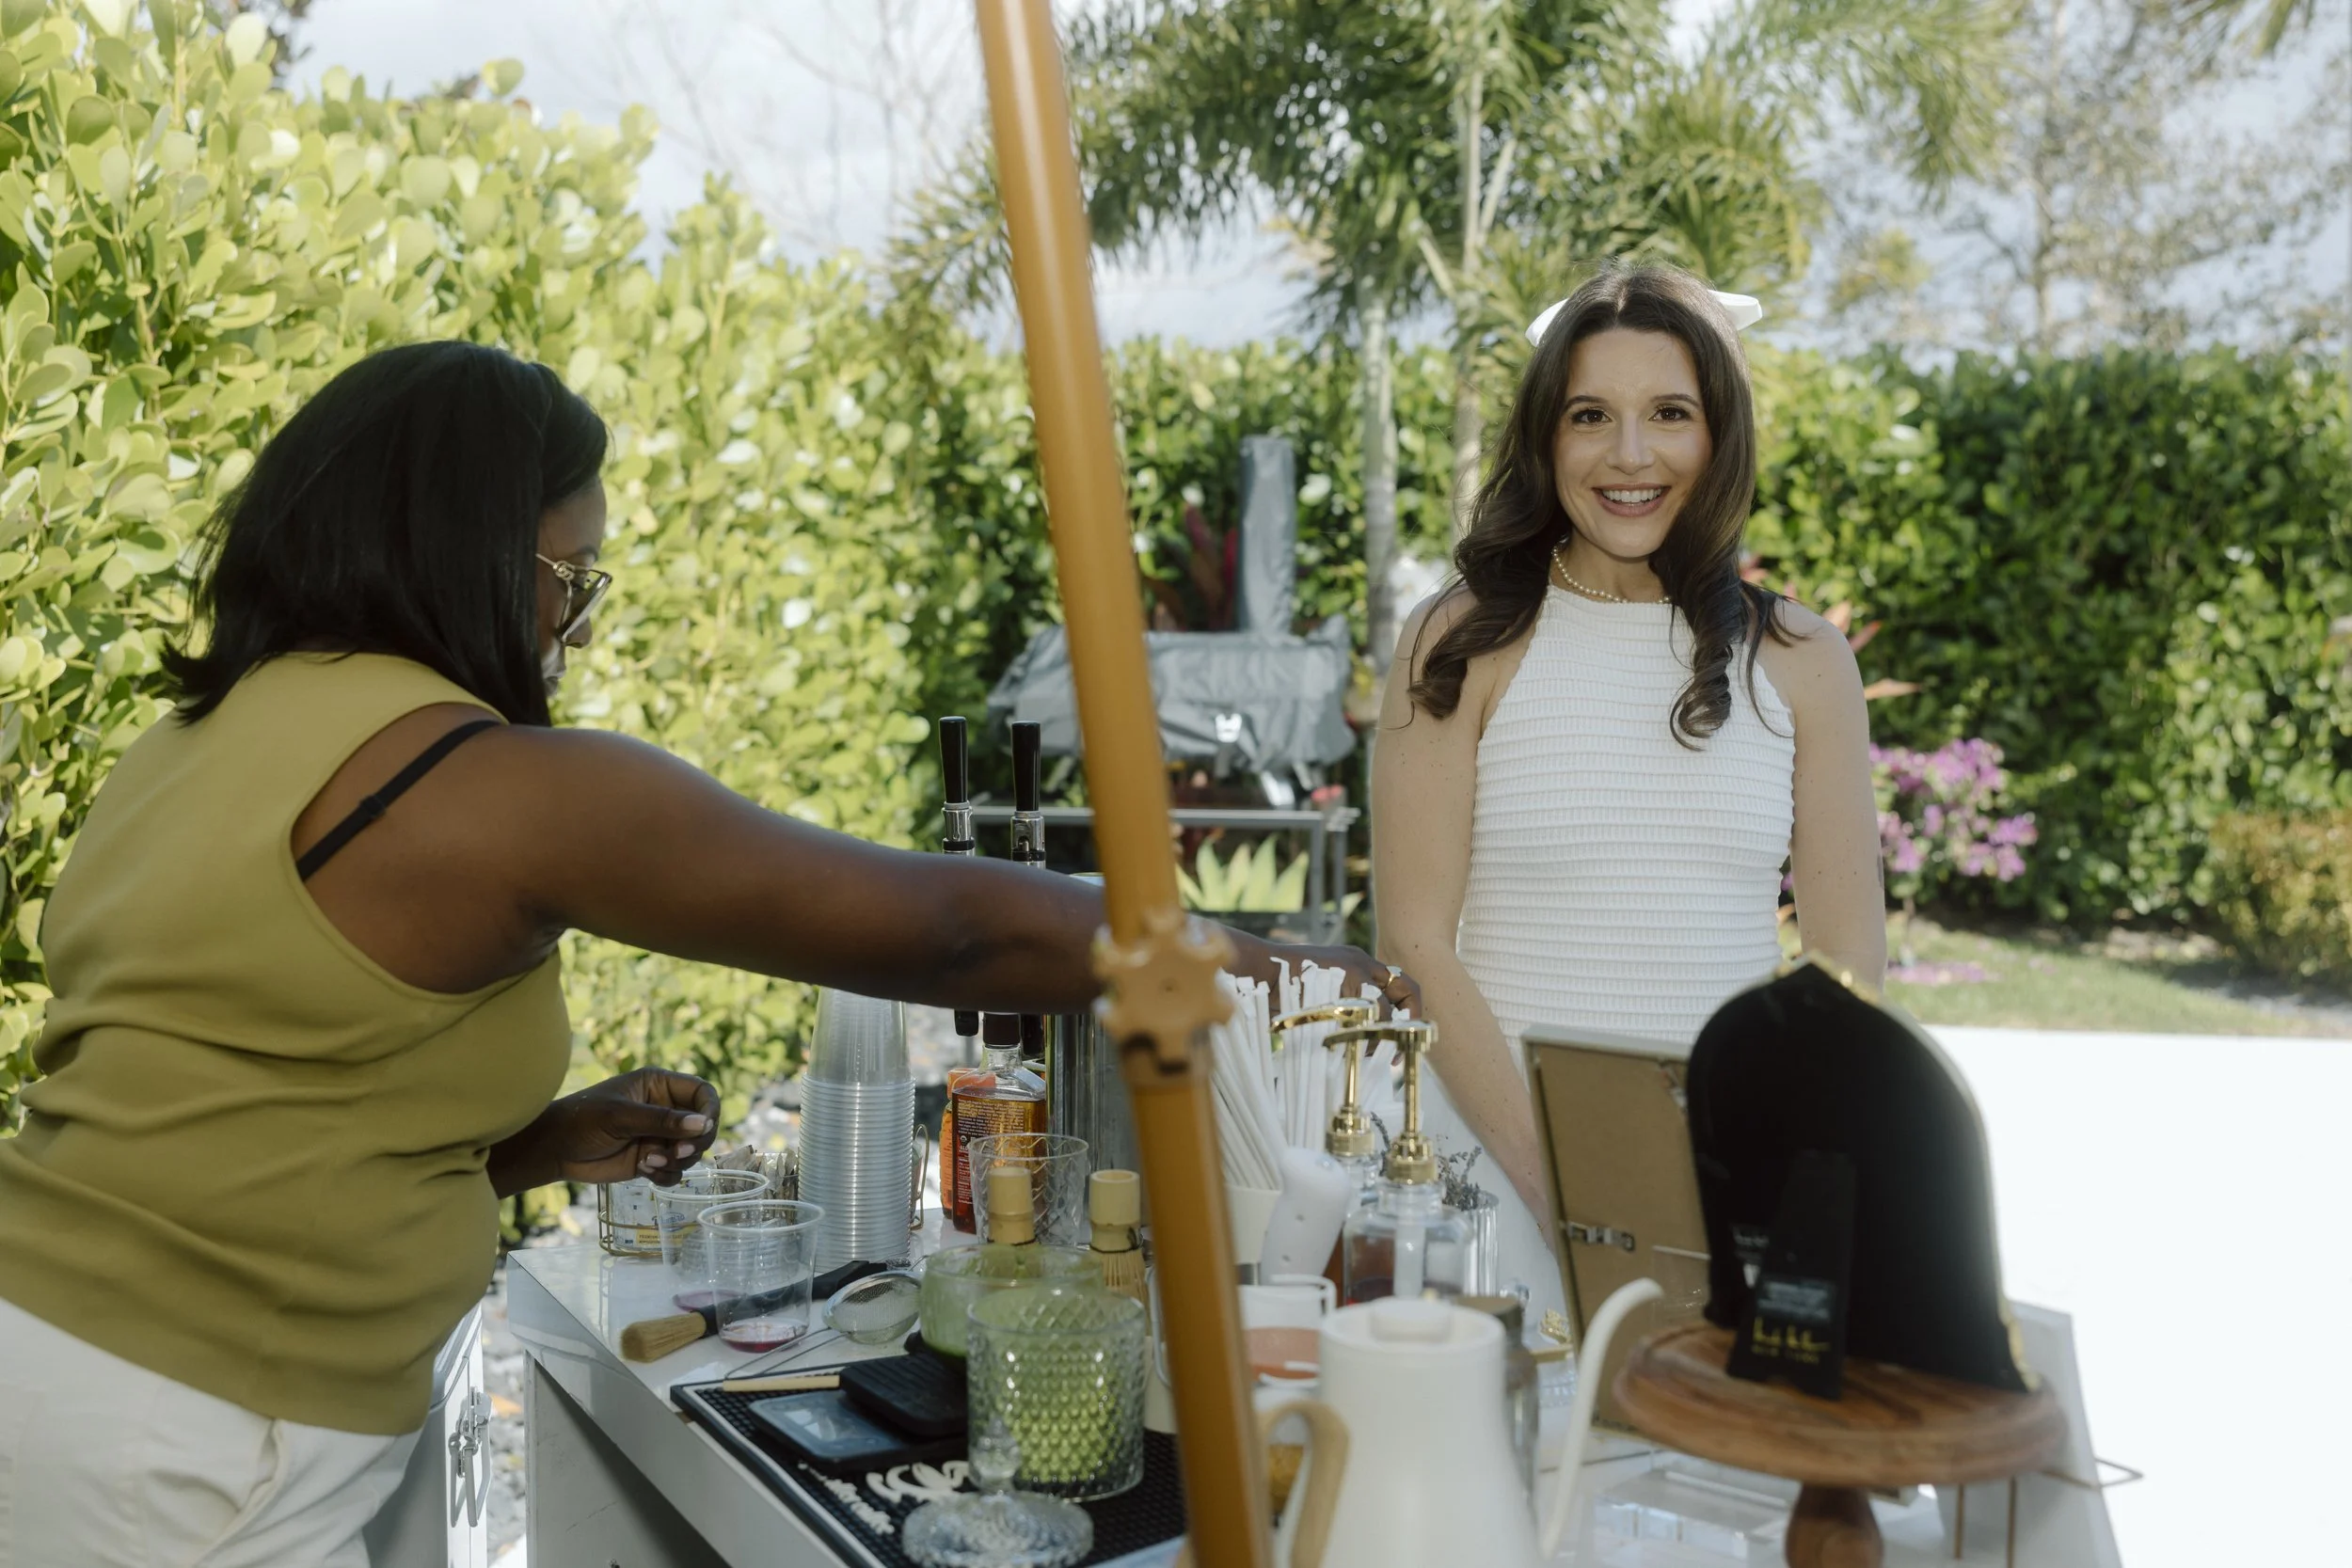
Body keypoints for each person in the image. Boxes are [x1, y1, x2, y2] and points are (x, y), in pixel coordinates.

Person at [0, 341, 1411, 1567]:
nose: (571, 626)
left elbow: (230, 1097)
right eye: (569, 576)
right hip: (183, 1440)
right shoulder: (475, 779)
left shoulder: (184, 747)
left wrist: (527, 1144)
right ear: (469, 553)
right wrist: (1243, 950)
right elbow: (946, 922)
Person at [1372, 263, 1884, 1316]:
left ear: (1720, 433)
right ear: (1545, 436)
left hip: (1727, 1195)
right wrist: (1570, 1192)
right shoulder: (1458, 641)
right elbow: (1413, 941)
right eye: (1590, 415)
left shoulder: (1803, 660)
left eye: (1670, 413)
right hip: (1495, 1193)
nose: (1630, 455)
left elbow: (1845, 976)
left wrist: (1769, 1185)